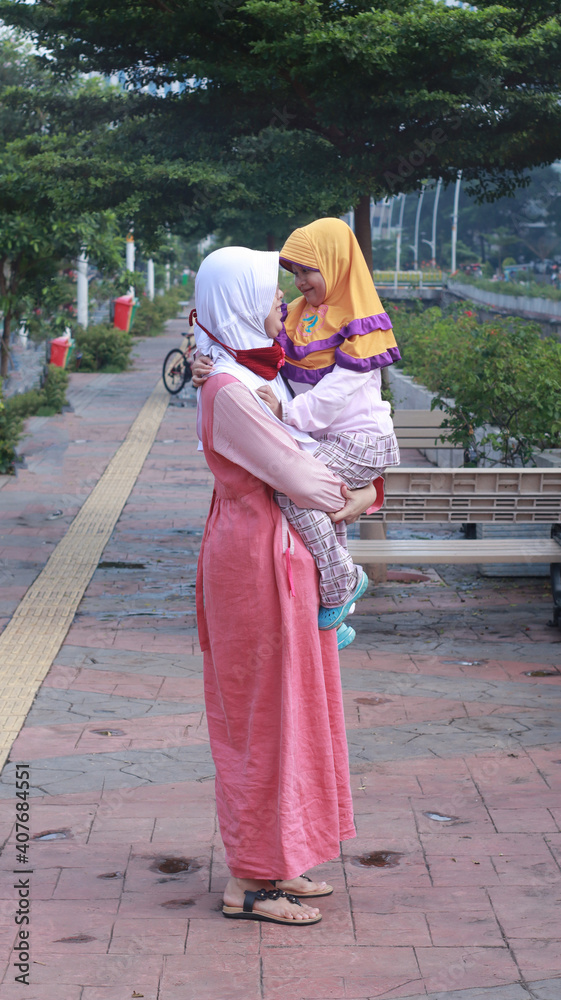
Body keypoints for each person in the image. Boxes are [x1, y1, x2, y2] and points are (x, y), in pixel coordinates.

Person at [195, 245, 377, 925]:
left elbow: (298, 464)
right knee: (260, 720)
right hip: (255, 567)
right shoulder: (230, 392)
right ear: (237, 300)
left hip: (268, 558)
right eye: (266, 293)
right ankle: (251, 882)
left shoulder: (240, 379)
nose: (279, 303)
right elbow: (301, 479)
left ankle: (277, 862)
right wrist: (353, 498)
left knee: (288, 711)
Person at [194, 218, 401, 635]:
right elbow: (247, 330)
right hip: (331, 443)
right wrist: (209, 357)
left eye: (308, 270)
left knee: (296, 497)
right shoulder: (304, 318)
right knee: (318, 506)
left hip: (361, 441)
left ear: (337, 264)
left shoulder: (361, 324)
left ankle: (342, 582)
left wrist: (288, 415)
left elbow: (334, 394)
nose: (298, 283)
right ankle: (339, 604)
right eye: (293, 272)